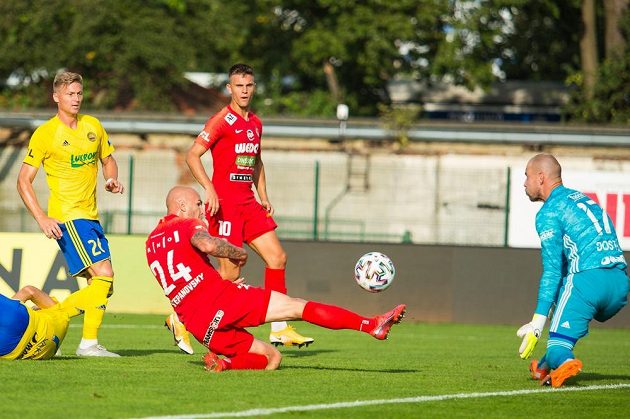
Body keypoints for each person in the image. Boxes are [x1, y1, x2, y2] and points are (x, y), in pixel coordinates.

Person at [145, 186, 406, 372]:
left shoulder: (151, 242)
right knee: (296, 306)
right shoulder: (186, 224)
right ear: (181, 206)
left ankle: (224, 363)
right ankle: (371, 324)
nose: (202, 209)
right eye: (198, 204)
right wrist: (238, 252)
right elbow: (208, 246)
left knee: (272, 358)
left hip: (199, 325)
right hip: (221, 301)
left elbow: (186, 276)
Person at [179, 62, 312, 350]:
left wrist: (264, 195)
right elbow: (192, 155)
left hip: (249, 203)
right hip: (225, 206)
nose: (244, 90)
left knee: (277, 258)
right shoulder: (220, 121)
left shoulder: (255, 123)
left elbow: (257, 161)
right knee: (229, 276)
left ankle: (279, 328)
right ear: (230, 88)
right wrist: (210, 189)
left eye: (249, 85)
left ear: (254, 87)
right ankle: (180, 317)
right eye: (239, 86)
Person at [16, 71, 124, 357]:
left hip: (90, 216)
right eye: (69, 94)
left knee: (101, 289)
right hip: (68, 217)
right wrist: (41, 217)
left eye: (79, 93)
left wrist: (111, 178)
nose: (76, 99)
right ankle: (87, 344)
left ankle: (43, 314)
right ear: (56, 97)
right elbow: (23, 180)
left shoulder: (93, 126)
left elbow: (108, 160)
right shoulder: (46, 134)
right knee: (105, 275)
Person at [517, 153, 629, 387]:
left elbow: (552, 271)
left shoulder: (549, 212)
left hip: (588, 281)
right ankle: (543, 366)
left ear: (541, 177)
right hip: (619, 283)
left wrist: (537, 323)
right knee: (561, 324)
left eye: (526, 176)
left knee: (559, 347)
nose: (524, 183)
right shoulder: (584, 200)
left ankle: (563, 362)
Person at [0, 284, 99, 360]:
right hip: (13, 350)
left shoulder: (60, 316)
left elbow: (29, 291)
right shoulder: (50, 350)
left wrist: (16, 304)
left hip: (18, 320)